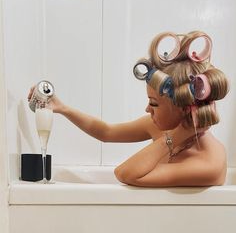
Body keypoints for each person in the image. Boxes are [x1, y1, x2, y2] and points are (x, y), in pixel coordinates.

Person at [28, 31, 229, 187]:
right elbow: (106, 132)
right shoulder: (156, 124)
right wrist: (63, 108)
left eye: (154, 103)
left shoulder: (210, 160)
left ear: (185, 108)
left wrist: (175, 137)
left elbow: (126, 174)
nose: (147, 109)